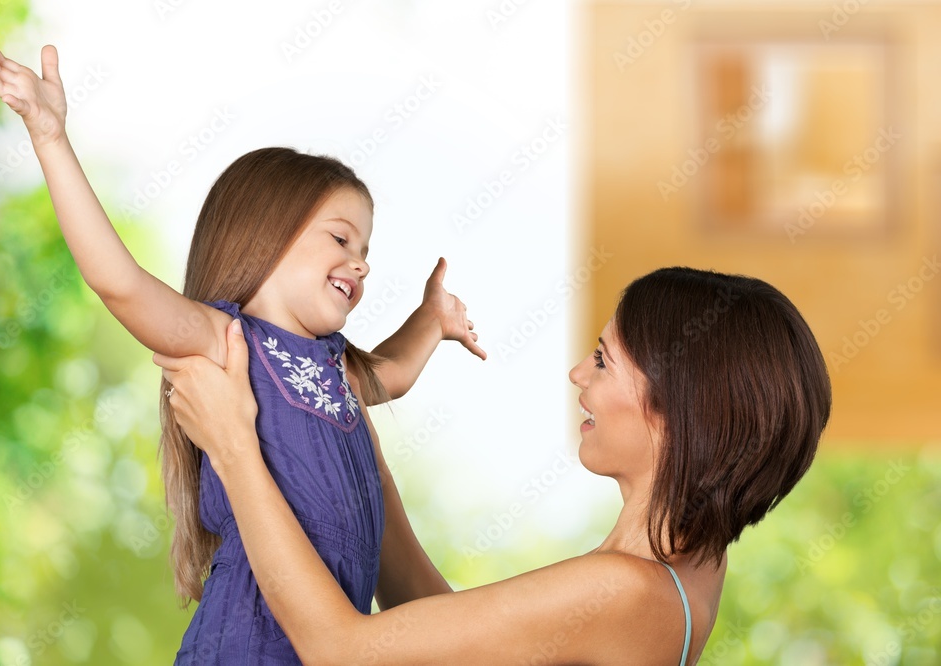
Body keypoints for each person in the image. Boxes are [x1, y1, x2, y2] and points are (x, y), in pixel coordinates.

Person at [0, 35, 486, 664]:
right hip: (244, 644)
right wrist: (50, 137)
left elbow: (394, 373)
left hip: (331, 641)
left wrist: (432, 320)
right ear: (265, 234)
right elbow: (120, 283)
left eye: (365, 251)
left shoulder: (335, 368)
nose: (360, 264)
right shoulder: (225, 342)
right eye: (341, 238)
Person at [155, 266, 833, 665]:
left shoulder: (628, 590)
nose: (577, 374)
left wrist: (235, 446)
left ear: (676, 410)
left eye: (603, 360)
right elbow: (451, 640)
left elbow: (343, 653)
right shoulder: (686, 568)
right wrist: (357, 447)